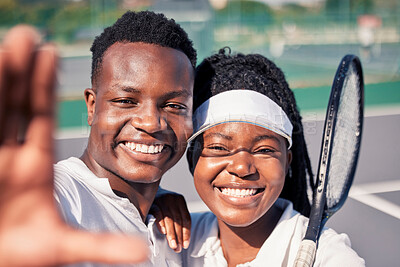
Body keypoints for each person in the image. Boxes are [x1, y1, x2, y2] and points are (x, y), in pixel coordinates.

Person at [0, 10, 196, 267]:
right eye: (126, 101)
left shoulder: (173, 228)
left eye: (174, 105)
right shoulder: (60, 196)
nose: (150, 123)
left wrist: (159, 197)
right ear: (92, 106)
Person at [160, 48, 365, 266]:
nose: (241, 167)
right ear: (192, 159)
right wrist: (155, 198)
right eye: (219, 147)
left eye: (264, 150)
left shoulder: (331, 256)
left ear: (288, 161)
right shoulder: (169, 241)